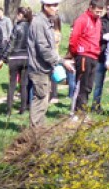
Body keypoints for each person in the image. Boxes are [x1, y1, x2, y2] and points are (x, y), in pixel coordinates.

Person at [27, 0, 74, 128]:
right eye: (54, 5)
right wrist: (62, 61)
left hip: (45, 69)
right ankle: (35, 134)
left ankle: (38, 131)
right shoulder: (38, 23)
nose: (56, 8)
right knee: (40, 101)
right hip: (39, 69)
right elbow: (44, 50)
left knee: (43, 101)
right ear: (46, 6)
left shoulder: (46, 21)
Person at [68, 0, 104, 119]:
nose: (98, 14)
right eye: (97, 11)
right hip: (83, 56)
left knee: (88, 86)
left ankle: (82, 111)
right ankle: (75, 112)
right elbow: (74, 39)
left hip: (94, 56)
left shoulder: (98, 21)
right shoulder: (82, 20)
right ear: (90, 8)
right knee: (81, 85)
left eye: (100, 12)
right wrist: (75, 54)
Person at [3, 6, 32, 116]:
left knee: (12, 84)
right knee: (24, 85)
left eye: (18, 14)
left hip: (15, 58)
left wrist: (4, 57)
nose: (16, 16)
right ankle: (23, 109)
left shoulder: (17, 27)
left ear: (22, 15)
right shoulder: (31, 27)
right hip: (26, 58)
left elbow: (11, 43)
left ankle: (9, 110)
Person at [91, 0, 109, 113]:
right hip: (100, 57)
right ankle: (95, 107)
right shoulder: (101, 21)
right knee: (98, 85)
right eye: (108, 9)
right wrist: (103, 36)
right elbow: (94, 35)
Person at [48, 14, 62, 104]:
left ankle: (54, 95)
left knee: (52, 77)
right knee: (52, 76)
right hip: (55, 55)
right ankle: (52, 95)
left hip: (53, 55)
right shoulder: (58, 32)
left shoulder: (55, 33)